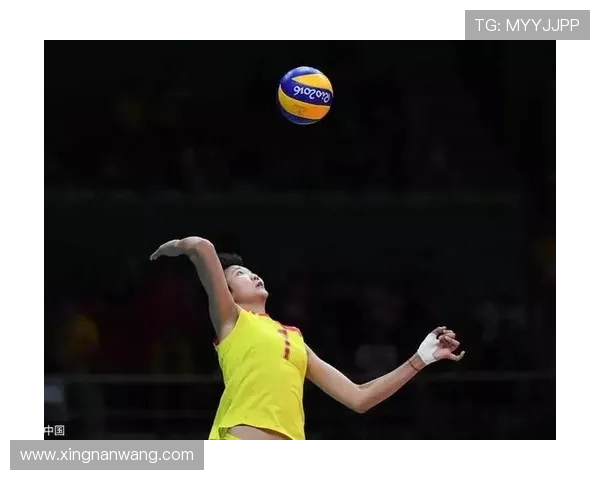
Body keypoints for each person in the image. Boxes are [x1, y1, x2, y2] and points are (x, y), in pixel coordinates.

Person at [150, 236, 465, 440]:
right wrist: (177, 246)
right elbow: (203, 248)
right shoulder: (231, 321)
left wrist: (421, 358)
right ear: (228, 293)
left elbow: (359, 398)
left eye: (251, 271)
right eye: (240, 275)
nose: (253, 275)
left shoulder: (295, 339)